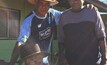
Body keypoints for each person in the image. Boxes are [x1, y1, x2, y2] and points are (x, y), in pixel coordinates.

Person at [8, 0, 59, 65]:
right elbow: (21, 41)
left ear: (50, 5)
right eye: (41, 3)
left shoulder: (53, 14)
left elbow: (67, 16)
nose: (44, 7)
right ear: (36, 4)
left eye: (46, 4)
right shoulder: (29, 21)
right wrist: (12, 62)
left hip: (44, 59)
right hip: (31, 60)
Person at [58, 0, 107, 65]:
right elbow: (61, 40)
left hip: (93, 61)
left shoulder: (92, 12)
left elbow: (101, 37)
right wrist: (62, 57)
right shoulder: (63, 16)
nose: (74, 1)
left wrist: (105, 58)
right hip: (71, 61)